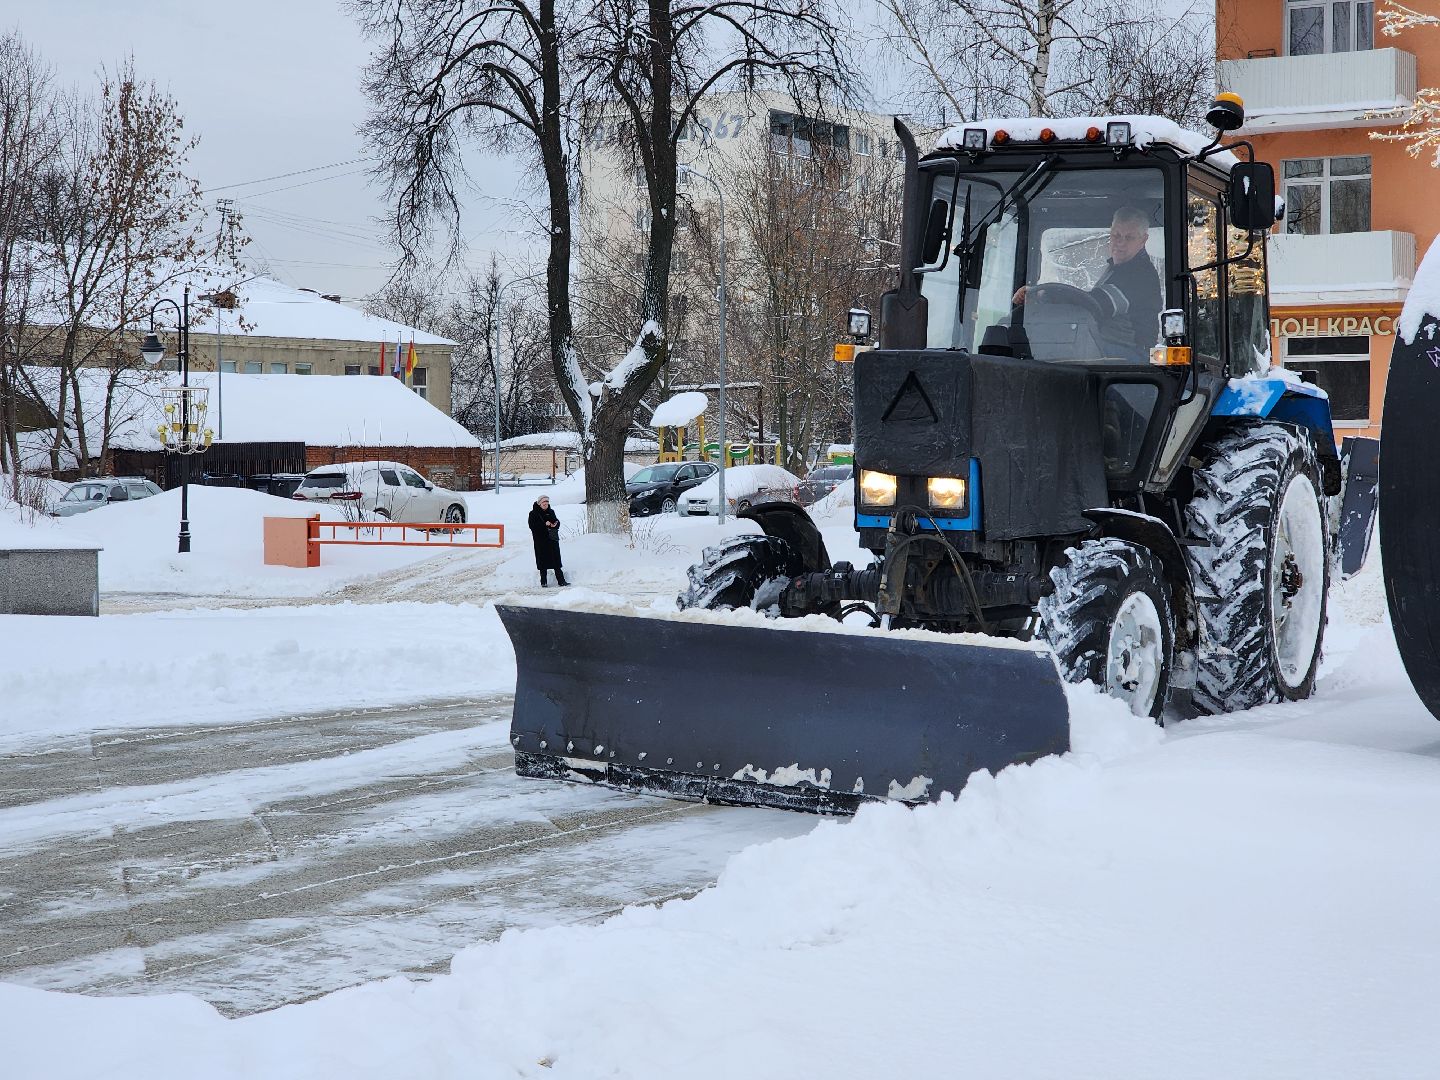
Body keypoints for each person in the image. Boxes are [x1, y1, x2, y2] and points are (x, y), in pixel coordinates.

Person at [1012, 205, 1163, 361]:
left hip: (1133, 355)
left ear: (1143, 240)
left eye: (1129, 237)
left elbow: (1096, 304)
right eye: (1116, 235)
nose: (1120, 242)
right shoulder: (1118, 269)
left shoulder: (1140, 275)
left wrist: (1044, 293)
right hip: (1110, 348)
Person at [528, 495, 568, 587]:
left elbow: (557, 521)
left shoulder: (551, 512)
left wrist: (555, 524)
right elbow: (532, 526)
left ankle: (561, 581)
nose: (545, 504)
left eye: (547, 503)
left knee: (556, 561)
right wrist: (544, 524)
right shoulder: (533, 514)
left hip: (552, 539)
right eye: (544, 503)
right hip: (540, 541)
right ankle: (543, 582)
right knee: (543, 562)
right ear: (539, 503)